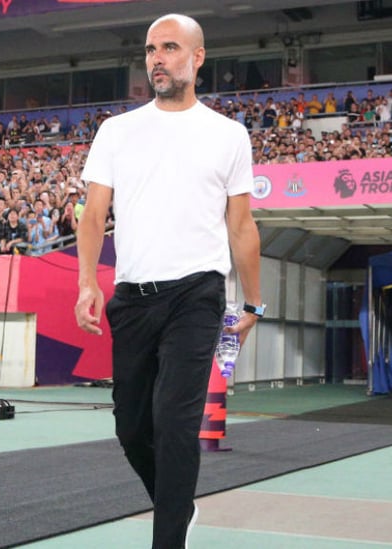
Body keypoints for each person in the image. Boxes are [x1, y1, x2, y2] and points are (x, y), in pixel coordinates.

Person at [74, 14, 261, 549]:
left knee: (174, 421)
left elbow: (242, 226)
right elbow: (92, 216)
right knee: (132, 430)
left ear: (197, 58)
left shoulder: (228, 135)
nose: (157, 57)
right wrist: (88, 282)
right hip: (132, 298)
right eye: (151, 49)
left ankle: (168, 540)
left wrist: (255, 303)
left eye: (170, 47)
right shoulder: (117, 131)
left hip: (196, 295)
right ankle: (177, 505)